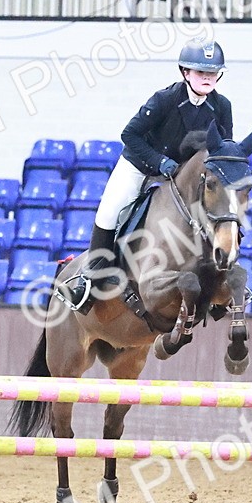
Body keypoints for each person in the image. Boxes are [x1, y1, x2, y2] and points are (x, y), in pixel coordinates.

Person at [65, 38, 234, 313]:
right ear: (185, 73)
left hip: (181, 178)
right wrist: (159, 161)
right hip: (141, 166)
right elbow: (129, 134)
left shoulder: (222, 106)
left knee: (219, 213)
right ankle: (90, 278)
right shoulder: (165, 99)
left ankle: (217, 278)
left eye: (212, 72)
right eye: (200, 71)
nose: (207, 77)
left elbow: (222, 149)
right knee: (110, 211)